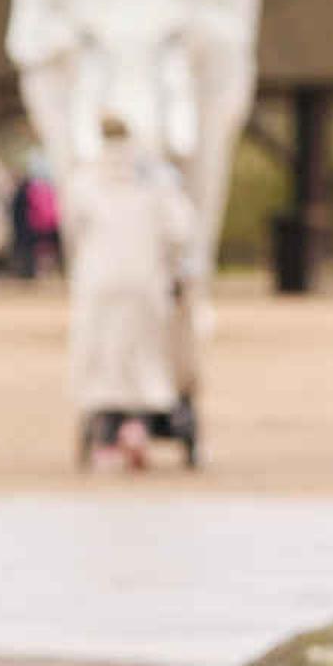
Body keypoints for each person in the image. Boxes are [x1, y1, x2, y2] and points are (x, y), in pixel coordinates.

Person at [61, 112, 189, 468]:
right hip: (145, 278)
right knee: (145, 353)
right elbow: (180, 229)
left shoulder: (83, 178)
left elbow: (72, 229)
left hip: (98, 280)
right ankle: (139, 423)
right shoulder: (156, 178)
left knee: (102, 354)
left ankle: (106, 430)